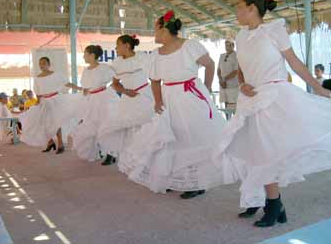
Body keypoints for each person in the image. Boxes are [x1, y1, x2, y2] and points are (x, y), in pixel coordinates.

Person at [212, 0, 331, 228]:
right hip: (251, 99)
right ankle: (266, 201)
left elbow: (294, 63)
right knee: (253, 152)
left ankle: (274, 204)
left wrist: (318, 88)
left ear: (252, 8)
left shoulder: (274, 30)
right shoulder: (240, 36)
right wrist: (242, 84)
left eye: (239, 6)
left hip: (276, 97)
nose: (236, 11)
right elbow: (242, 68)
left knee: (266, 153)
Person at [120, 11, 226, 199]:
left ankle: (196, 182)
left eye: (156, 29)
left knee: (191, 137)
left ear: (165, 29)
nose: (154, 33)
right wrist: (158, 101)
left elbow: (209, 65)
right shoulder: (155, 55)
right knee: (170, 137)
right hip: (169, 98)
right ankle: (173, 179)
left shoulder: (190, 46)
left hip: (190, 97)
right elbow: (154, 81)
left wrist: (207, 88)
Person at [98, 34, 154, 167]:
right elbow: (115, 84)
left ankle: (145, 158)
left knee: (146, 126)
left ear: (126, 46)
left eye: (117, 45)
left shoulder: (142, 57)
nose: (116, 48)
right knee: (123, 126)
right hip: (128, 98)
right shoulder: (117, 63)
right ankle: (113, 153)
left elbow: (154, 76)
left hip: (145, 95)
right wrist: (126, 91)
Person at [68, 45, 121, 162]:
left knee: (105, 126)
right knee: (91, 126)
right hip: (91, 100)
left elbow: (118, 77)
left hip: (104, 99)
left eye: (85, 54)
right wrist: (82, 90)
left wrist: (112, 87)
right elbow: (87, 87)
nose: (83, 56)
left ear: (92, 55)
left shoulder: (104, 68)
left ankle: (110, 153)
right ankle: (100, 150)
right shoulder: (86, 70)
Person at [19, 57, 79, 154]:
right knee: (43, 123)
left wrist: (79, 88)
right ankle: (50, 142)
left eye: (44, 63)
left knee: (56, 122)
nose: (42, 65)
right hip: (44, 102)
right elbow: (37, 92)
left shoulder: (56, 75)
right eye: (40, 64)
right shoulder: (37, 78)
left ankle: (60, 144)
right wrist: (38, 102)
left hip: (55, 100)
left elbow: (67, 83)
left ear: (49, 64)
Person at [217, 40, 239, 110]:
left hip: (233, 84)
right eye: (226, 45)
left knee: (233, 105)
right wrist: (220, 80)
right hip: (223, 84)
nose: (227, 47)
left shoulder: (237, 56)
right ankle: (227, 120)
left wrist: (224, 80)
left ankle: (234, 120)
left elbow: (236, 71)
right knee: (225, 103)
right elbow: (218, 70)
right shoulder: (222, 56)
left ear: (233, 46)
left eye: (229, 45)